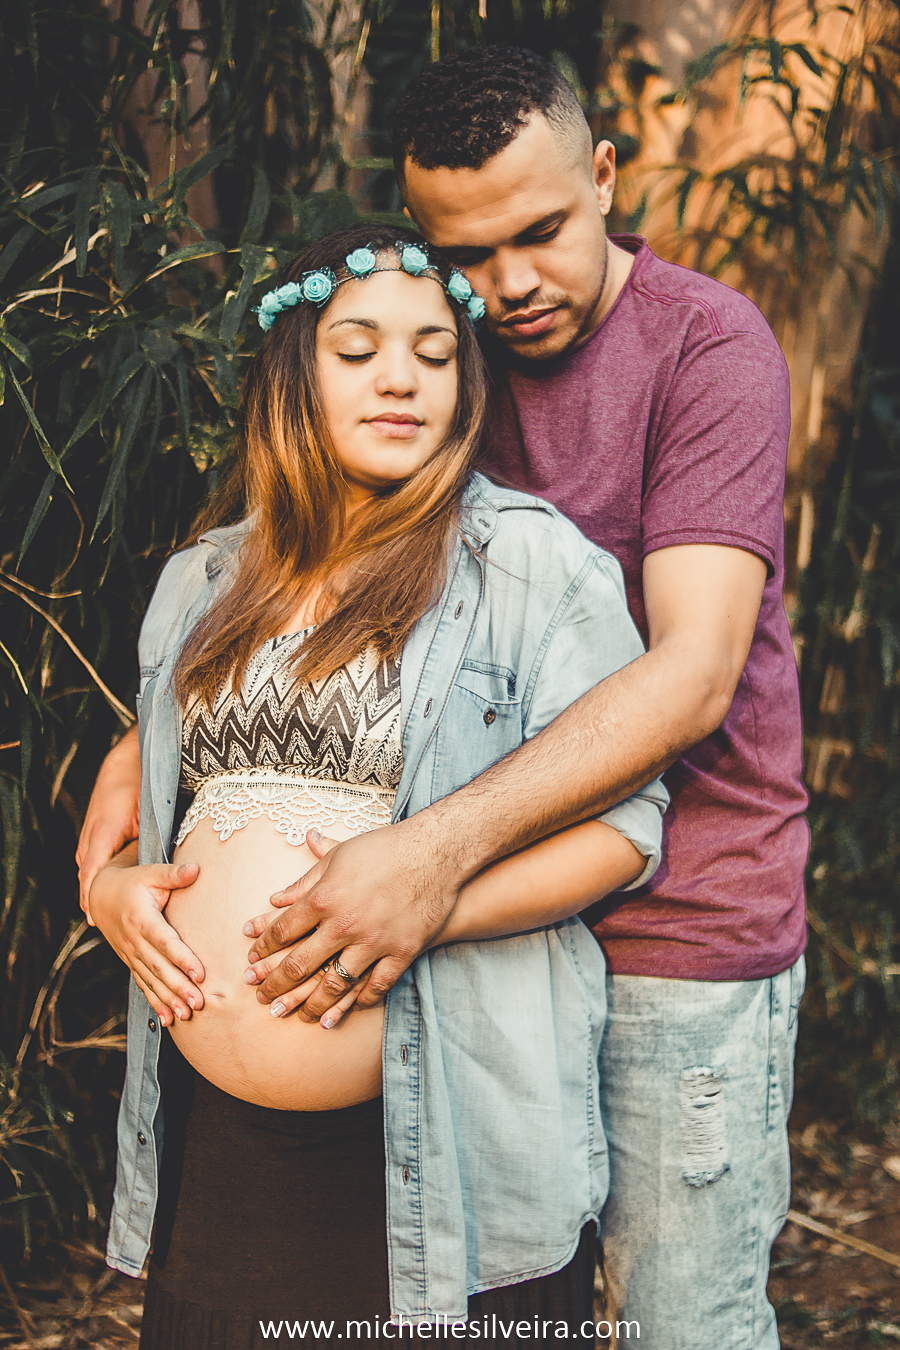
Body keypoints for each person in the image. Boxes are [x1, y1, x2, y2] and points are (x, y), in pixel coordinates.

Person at [79, 46, 808, 1349]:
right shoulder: (437, 355)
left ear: (604, 175)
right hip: (450, 970)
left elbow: (691, 673)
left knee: (677, 1321)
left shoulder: (705, 347)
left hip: (679, 918)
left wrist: (426, 864)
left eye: (540, 232)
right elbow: (329, 591)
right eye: (468, 254)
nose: (510, 286)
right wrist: (155, 748)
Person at [90, 221, 667, 1346]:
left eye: (435, 352)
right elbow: (162, 807)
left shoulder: (533, 568)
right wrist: (114, 893)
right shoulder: (200, 582)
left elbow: (627, 831)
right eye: (358, 350)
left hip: (445, 1133)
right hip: (223, 1153)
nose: (401, 377)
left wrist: (427, 903)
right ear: (293, 371)